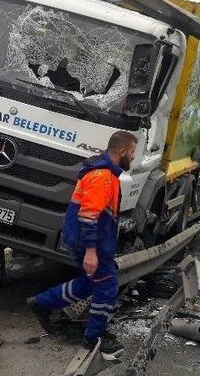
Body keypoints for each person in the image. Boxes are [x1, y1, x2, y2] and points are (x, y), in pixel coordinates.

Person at [27, 131, 138, 360]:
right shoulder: (102, 176)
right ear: (122, 151)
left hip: (88, 240)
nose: (134, 157)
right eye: (133, 152)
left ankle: (42, 302)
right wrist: (91, 252)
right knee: (107, 286)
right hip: (91, 243)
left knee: (90, 282)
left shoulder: (103, 172)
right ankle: (94, 337)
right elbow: (88, 216)